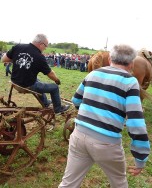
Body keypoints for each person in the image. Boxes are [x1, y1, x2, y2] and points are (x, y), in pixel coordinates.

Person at [59, 44, 150, 188]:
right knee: (119, 183)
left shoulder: (93, 74)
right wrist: (141, 157)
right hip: (107, 143)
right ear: (132, 63)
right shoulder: (130, 82)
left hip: (78, 135)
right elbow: (135, 123)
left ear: (110, 58)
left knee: (68, 183)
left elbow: (76, 100)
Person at [1, 34, 70, 114]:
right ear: (41, 44)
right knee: (54, 87)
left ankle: (46, 103)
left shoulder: (18, 47)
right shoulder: (39, 57)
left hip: (15, 82)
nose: (45, 48)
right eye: (46, 46)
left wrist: (17, 59)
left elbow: (4, 59)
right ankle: (58, 110)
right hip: (26, 86)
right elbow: (50, 73)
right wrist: (57, 80)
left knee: (38, 81)